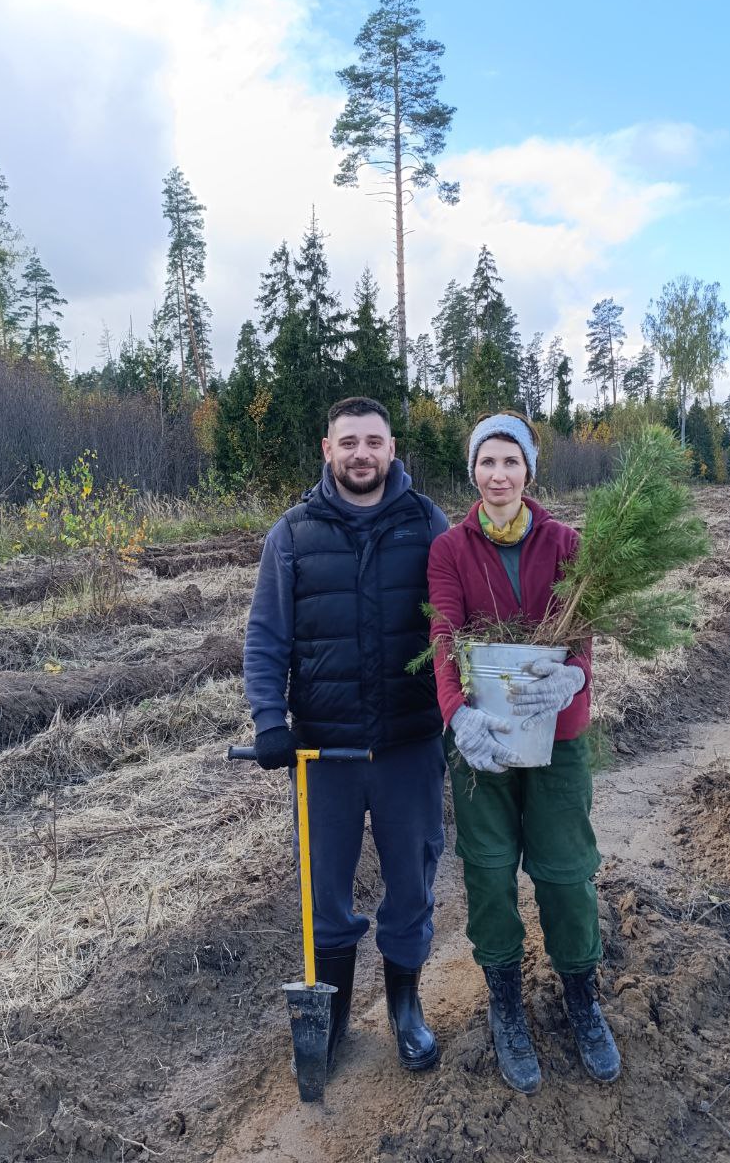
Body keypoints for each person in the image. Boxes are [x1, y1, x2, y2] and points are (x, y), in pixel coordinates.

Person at [244, 396, 448, 1075]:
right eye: (349, 442)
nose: (362, 453)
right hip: (322, 754)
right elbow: (267, 637)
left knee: (412, 887)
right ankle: (328, 1026)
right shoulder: (293, 534)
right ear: (327, 451)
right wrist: (270, 721)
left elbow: (459, 625)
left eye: (374, 442)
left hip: (410, 746)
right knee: (323, 893)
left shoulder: (428, 525)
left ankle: (405, 1011)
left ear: (393, 450)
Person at [426, 410, 620, 1094]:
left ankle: (582, 997)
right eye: (487, 462)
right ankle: (506, 1004)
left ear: (528, 470)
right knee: (486, 869)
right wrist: (458, 717)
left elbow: (583, 628)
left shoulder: (566, 542)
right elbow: (445, 634)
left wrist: (574, 674)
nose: (499, 474)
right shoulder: (451, 548)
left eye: (511, 461)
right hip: (483, 743)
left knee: (566, 871)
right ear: (473, 471)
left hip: (556, 735)